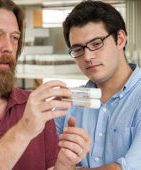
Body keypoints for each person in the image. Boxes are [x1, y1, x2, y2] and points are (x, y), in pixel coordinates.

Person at [0, 0, 92, 170]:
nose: (8, 47)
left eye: (14, 37)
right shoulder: (31, 118)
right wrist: (24, 130)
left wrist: (65, 163)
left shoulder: (34, 106)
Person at [55, 0, 141, 170]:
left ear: (120, 39)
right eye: (78, 49)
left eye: (96, 44)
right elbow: (49, 162)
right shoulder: (68, 103)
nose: (87, 56)